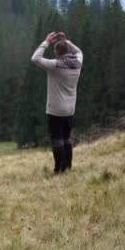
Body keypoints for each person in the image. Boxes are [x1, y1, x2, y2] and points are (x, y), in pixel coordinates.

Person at [31, 32, 83, 174]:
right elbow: (78, 51)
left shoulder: (55, 65)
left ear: (58, 53)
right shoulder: (78, 62)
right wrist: (66, 41)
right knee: (67, 139)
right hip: (70, 109)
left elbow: (35, 58)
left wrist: (46, 41)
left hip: (55, 109)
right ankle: (68, 166)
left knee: (57, 140)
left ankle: (59, 169)